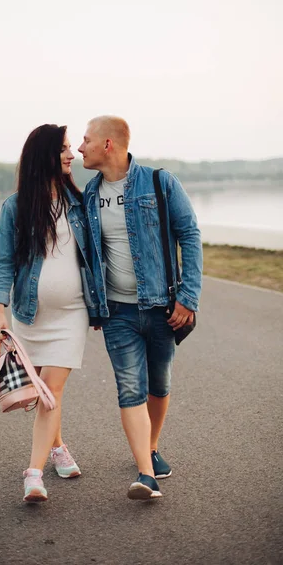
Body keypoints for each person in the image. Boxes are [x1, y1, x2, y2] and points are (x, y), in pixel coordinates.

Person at [79, 116, 203, 500]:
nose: (81, 147)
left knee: (159, 384)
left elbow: (190, 235)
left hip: (163, 306)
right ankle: (145, 473)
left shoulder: (159, 183)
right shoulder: (89, 195)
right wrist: (94, 305)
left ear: (108, 145)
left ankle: (149, 445)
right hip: (117, 311)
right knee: (130, 387)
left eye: (85, 140)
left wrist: (188, 296)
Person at [0, 124, 97, 503]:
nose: (71, 155)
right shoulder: (16, 208)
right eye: (64, 149)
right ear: (44, 157)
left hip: (72, 316)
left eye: (71, 148)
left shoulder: (82, 204)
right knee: (42, 393)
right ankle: (57, 447)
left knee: (51, 391)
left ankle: (33, 475)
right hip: (29, 316)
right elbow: (4, 263)